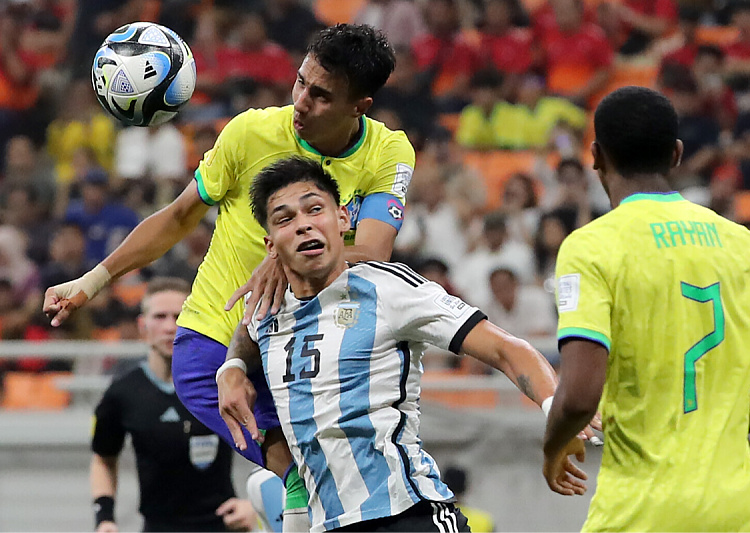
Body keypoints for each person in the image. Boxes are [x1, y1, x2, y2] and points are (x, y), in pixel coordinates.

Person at [45, 23, 414, 522]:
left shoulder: (388, 153)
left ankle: (287, 496)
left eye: (321, 95)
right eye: (300, 82)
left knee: (344, 480)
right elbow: (177, 216)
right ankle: (290, 487)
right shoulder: (250, 132)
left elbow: (372, 249)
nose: (301, 101)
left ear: (359, 107)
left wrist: (285, 255)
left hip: (312, 341)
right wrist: (90, 283)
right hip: (217, 334)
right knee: (300, 469)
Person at [216, 156, 592, 532]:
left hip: (406, 514)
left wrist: (558, 415)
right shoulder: (267, 306)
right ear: (270, 244)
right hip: (328, 523)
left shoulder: (388, 288)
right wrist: (232, 368)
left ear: (343, 220)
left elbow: (507, 349)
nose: (303, 225)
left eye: (315, 209)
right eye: (285, 219)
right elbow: (248, 334)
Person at [542, 86, 750, 531]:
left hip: (640, 515)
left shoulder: (591, 247)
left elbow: (580, 396)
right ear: (677, 154)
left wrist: (553, 448)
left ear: (597, 156)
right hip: (737, 514)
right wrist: (716, 432)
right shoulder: (738, 242)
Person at [90, 277, 256, 533]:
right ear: (142, 326)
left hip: (223, 526)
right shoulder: (123, 393)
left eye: (179, 316)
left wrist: (256, 503)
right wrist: (105, 517)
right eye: (160, 316)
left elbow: (269, 437)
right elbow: (103, 457)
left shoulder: (223, 382)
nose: (170, 326)